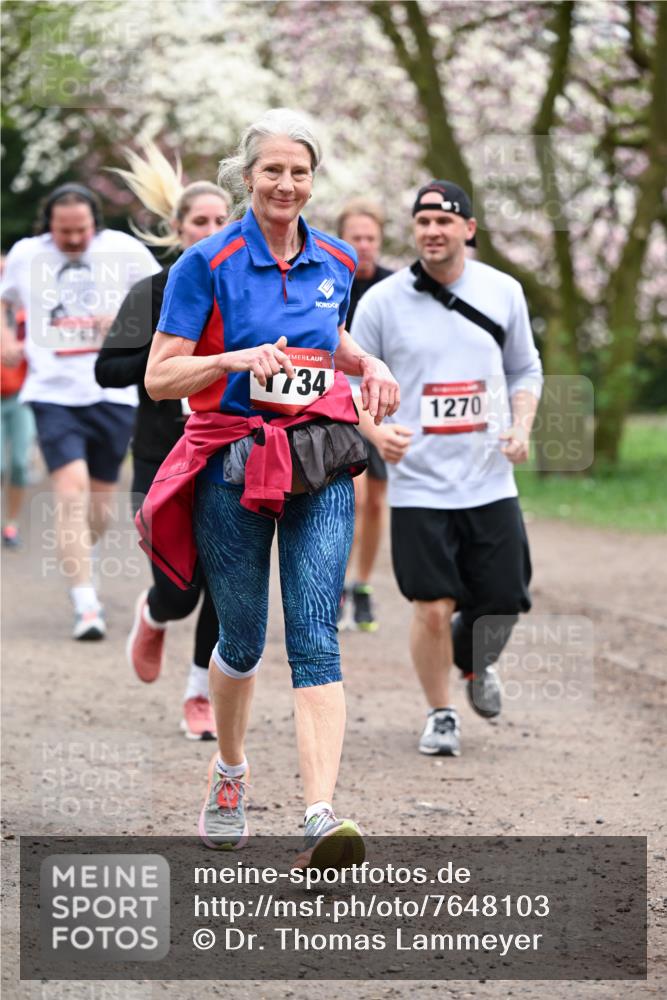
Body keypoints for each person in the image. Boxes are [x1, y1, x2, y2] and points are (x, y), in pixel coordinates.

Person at [141, 108, 399, 865]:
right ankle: (229, 773)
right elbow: (160, 377)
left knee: (316, 634)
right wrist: (232, 360)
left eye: (299, 171)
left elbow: (327, 338)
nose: (286, 183)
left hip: (319, 458)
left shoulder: (333, 261)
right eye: (272, 170)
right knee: (244, 638)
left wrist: (367, 364)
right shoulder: (206, 264)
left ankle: (320, 815)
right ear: (247, 177)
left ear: (312, 180)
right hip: (233, 461)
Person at [350, 180, 543, 758]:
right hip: (418, 485)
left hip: (488, 478)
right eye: (423, 222)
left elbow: (525, 371)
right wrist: (376, 433)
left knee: (505, 600)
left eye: (445, 220)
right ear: (414, 231)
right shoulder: (381, 303)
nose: (433, 231)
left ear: (469, 229)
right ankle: (441, 714)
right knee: (433, 605)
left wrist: (522, 426)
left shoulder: (502, 291)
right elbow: (350, 383)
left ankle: (472, 662)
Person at [95, 142, 231, 740]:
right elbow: (107, 370)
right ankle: (154, 615)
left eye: (221, 220)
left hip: (230, 450)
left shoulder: (245, 289)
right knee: (180, 588)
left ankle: (198, 692)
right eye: (199, 221)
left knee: (228, 582)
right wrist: (164, 356)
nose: (210, 229)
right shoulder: (153, 292)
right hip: (162, 457)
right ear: (176, 230)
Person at [0, 184, 160, 639]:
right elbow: (4, 298)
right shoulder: (28, 254)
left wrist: (126, 322)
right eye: (63, 231)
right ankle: (85, 603)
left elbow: (162, 297)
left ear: (96, 222)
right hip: (52, 392)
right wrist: (7, 337)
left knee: (100, 510)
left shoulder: (125, 251)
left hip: (111, 395)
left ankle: (80, 562)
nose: (72, 240)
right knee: (69, 491)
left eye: (81, 230)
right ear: (48, 225)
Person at [335, 199, 393, 632]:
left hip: (383, 401)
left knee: (375, 503)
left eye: (371, 238)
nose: (365, 245)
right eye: (356, 237)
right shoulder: (331, 281)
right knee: (351, 501)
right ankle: (334, 583)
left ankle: (363, 585)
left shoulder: (395, 287)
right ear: (343, 240)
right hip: (341, 404)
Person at [1, 296, 36, 548]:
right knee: (0, 466)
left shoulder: (28, 318)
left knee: (20, 464)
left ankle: (11, 524)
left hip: (21, 397)